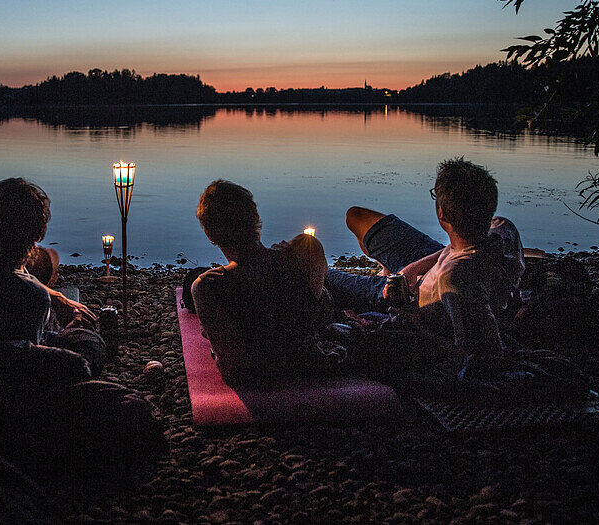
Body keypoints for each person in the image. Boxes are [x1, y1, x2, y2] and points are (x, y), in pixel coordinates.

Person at [324, 158, 524, 358]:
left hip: (404, 298)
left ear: (442, 215)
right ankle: (388, 269)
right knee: (356, 216)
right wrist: (413, 268)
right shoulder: (503, 228)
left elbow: (479, 355)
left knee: (325, 275)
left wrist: (416, 324)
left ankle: (383, 278)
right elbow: (462, 248)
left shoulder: (456, 282)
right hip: (432, 258)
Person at [0, 177, 104, 370]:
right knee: (89, 343)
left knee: (49, 256)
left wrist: (53, 294)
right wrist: (74, 326)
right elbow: (25, 358)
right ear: (38, 234)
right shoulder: (33, 298)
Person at [190, 179, 334, 386]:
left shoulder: (208, 287)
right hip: (311, 364)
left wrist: (214, 348)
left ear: (209, 233)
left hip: (264, 381)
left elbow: (235, 369)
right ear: (255, 217)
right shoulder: (304, 256)